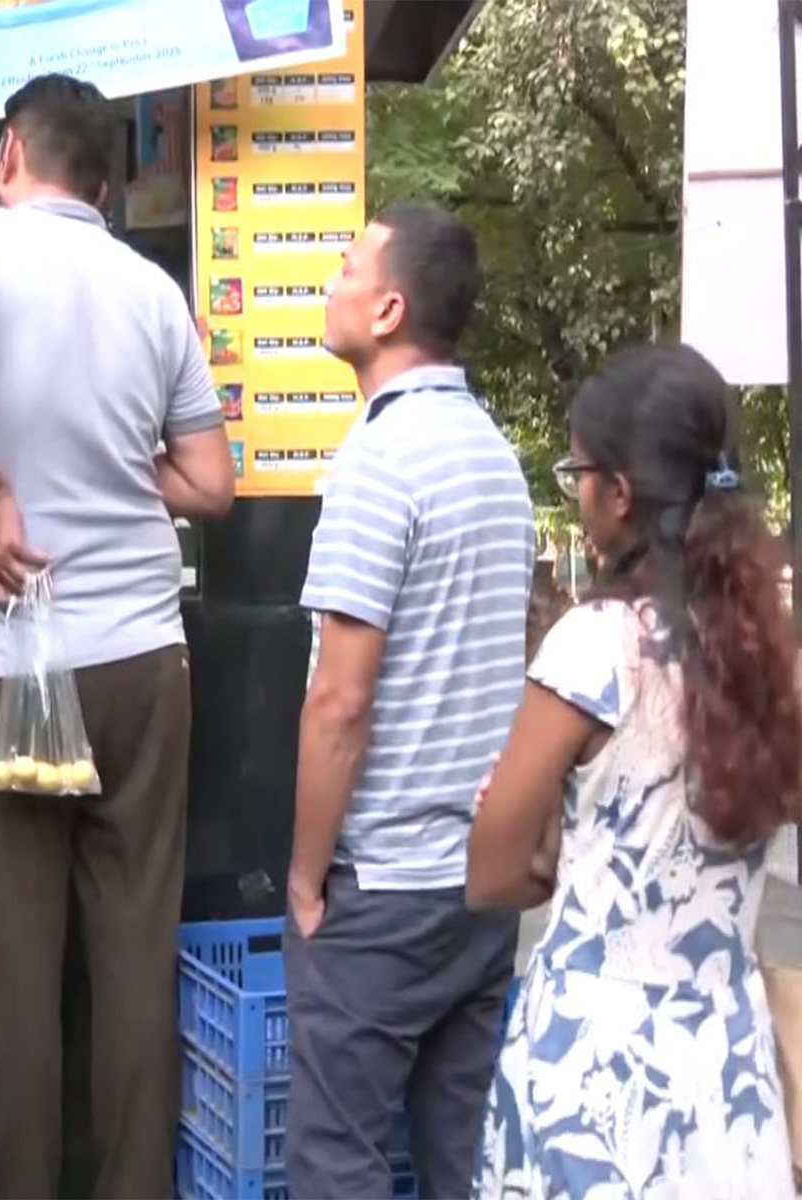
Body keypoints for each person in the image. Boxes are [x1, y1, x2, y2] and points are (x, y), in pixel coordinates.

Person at [0, 74, 234, 1198]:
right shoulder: (151, 290)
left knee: (12, 979)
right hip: (142, 660)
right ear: (107, 184)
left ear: (5, 157)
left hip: (9, 664)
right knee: (135, 959)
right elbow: (213, 486)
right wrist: (118, 469)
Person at [468, 343, 800, 1198]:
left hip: (595, 1063)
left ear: (619, 491)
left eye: (578, 471)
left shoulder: (596, 647)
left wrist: (554, 851)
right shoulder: (768, 658)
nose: (575, 496)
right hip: (727, 1061)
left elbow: (493, 870)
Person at [287, 202, 534, 1198]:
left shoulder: (377, 463)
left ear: (387, 308)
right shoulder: (494, 455)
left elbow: (338, 704)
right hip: (476, 889)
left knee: (337, 1161)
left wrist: (306, 879)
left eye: (345, 267)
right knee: (455, 1157)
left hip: (382, 885)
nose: (330, 283)